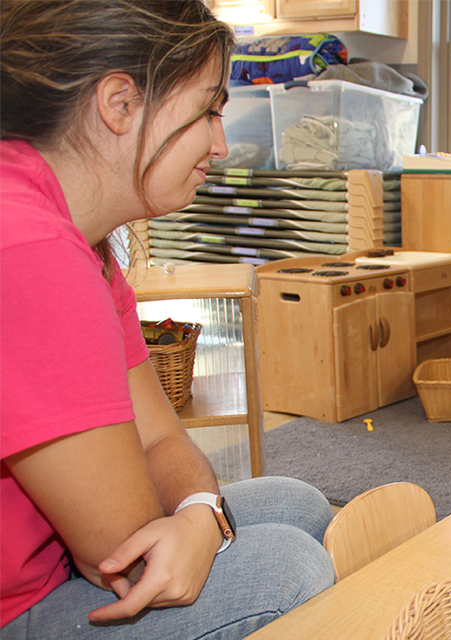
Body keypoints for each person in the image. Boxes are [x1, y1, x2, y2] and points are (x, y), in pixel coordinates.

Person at [0, 2, 335, 638]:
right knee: (290, 571)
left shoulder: (83, 241)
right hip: (16, 604)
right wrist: (200, 523)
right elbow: (120, 551)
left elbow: (159, 439)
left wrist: (200, 512)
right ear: (119, 103)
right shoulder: (31, 248)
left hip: (45, 564)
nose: (221, 142)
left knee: (298, 503)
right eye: (208, 109)